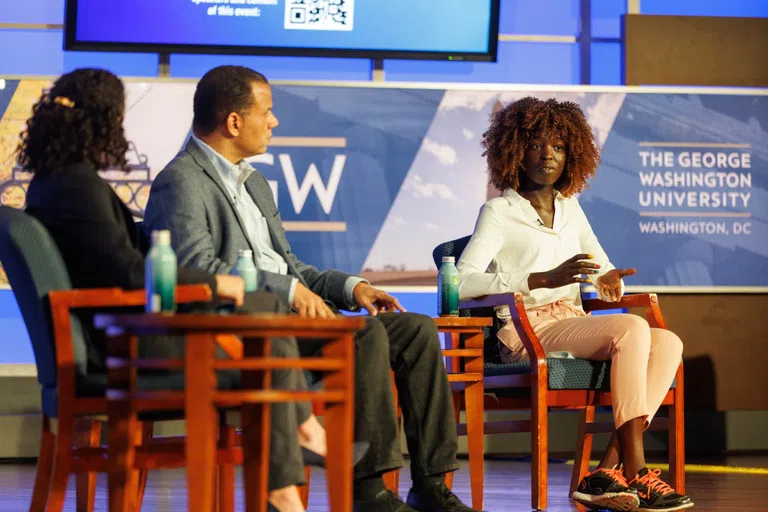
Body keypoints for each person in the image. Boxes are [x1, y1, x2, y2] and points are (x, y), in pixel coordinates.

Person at [143, 65, 480, 512]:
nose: (275, 121)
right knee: (364, 335)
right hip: (243, 328)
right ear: (234, 122)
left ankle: (431, 483)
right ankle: (369, 491)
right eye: (268, 111)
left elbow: (291, 266)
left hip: (293, 318)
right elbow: (195, 266)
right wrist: (285, 290)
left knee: (415, 330)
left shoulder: (255, 184)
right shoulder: (181, 180)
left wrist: (353, 287)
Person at [18, 68, 332, 512]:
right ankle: (297, 444)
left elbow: (119, 258)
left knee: (261, 318)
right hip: (121, 347)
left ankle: (287, 471)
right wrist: (212, 282)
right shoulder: (77, 188)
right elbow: (129, 273)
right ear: (104, 119)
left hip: (114, 336)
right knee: (260, 312)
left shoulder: (59, 184)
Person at [456, 97, 693, 512]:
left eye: (559, 147)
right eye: (535, 145)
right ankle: (638, 471)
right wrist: (538, 280)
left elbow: (601, 269)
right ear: (514, 150)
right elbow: (461, 284)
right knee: (632, 329)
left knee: (669, 343)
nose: (548, 155)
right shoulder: (498, 211)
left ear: (571, 155)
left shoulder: (571, 210)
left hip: (571, 322)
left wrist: (608, 280)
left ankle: (604, 472)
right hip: (527, 330)